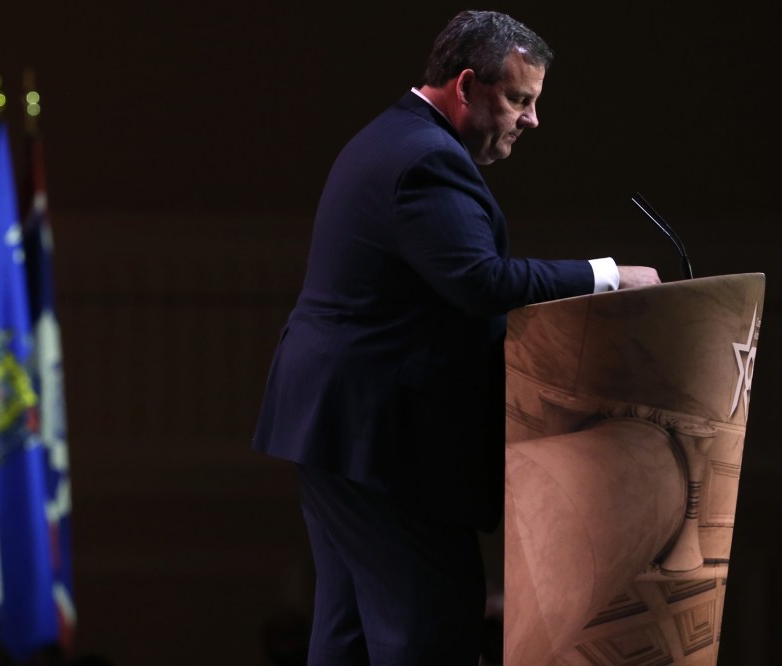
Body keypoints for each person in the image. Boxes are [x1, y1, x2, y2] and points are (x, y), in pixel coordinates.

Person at [251, 9, 660, 665]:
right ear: (467, 86)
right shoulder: (425, 159)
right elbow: (479, 281)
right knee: (428, 629)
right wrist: (607, 275)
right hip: (384, 444)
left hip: (341, 430)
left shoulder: (391, 137)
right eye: (520, 100)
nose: (532, 120)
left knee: (349, 633)